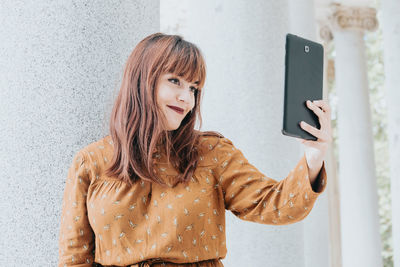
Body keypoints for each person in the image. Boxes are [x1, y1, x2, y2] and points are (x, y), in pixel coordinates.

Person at [58, 32, 332, 267]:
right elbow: (74, 258)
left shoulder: (211, 152)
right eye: (175, 81)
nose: (186, 98)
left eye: (194, 88)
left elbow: (274, 205)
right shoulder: (90, 162)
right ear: (142, 80)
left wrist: (314, 156)